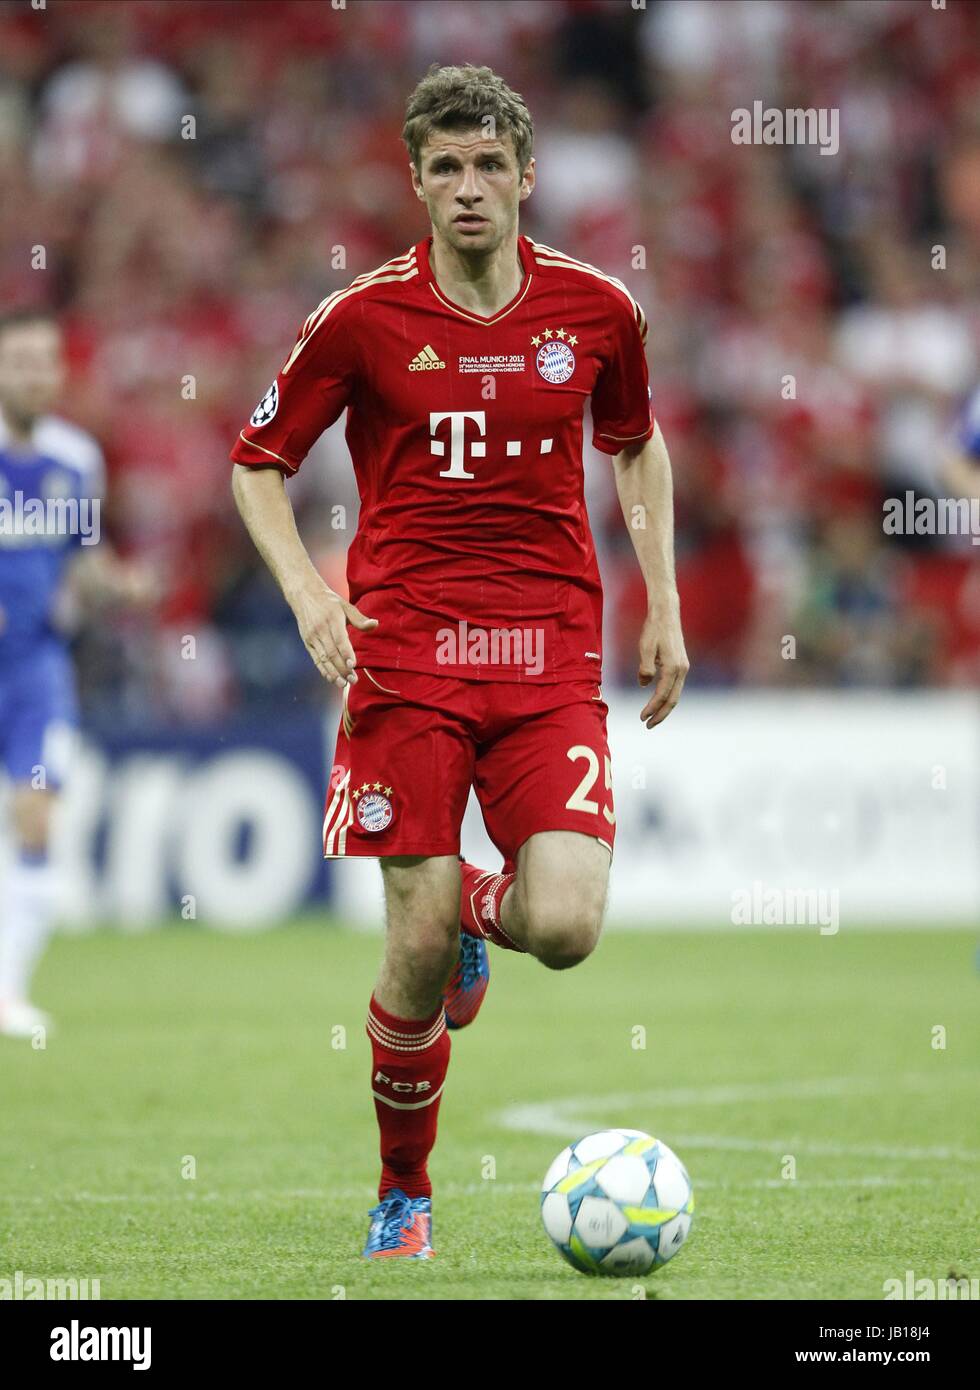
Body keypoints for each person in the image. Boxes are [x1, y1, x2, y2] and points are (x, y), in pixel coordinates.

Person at [230, 64, 688, 1259]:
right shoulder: (361, 319)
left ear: (527, 175)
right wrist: (306, 592)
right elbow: (254, 460)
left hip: (545, 656)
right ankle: (404, 1195)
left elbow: (636, 450)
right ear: (417, 182)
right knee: (414, 941)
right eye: (446, 167)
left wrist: (666, 602)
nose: (470, 187)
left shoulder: (595, 310)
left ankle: (490, 910)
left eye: (490, 164)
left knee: (572, 925)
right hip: (407, 656)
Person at [0, 310, 149, 1039]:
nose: (33, 374)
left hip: (34, 666)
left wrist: (120, 585)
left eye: (44, 362)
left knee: (35, 812)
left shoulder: (75, 459)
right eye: (19, 361)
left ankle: (8, 992)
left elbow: (84, 561)